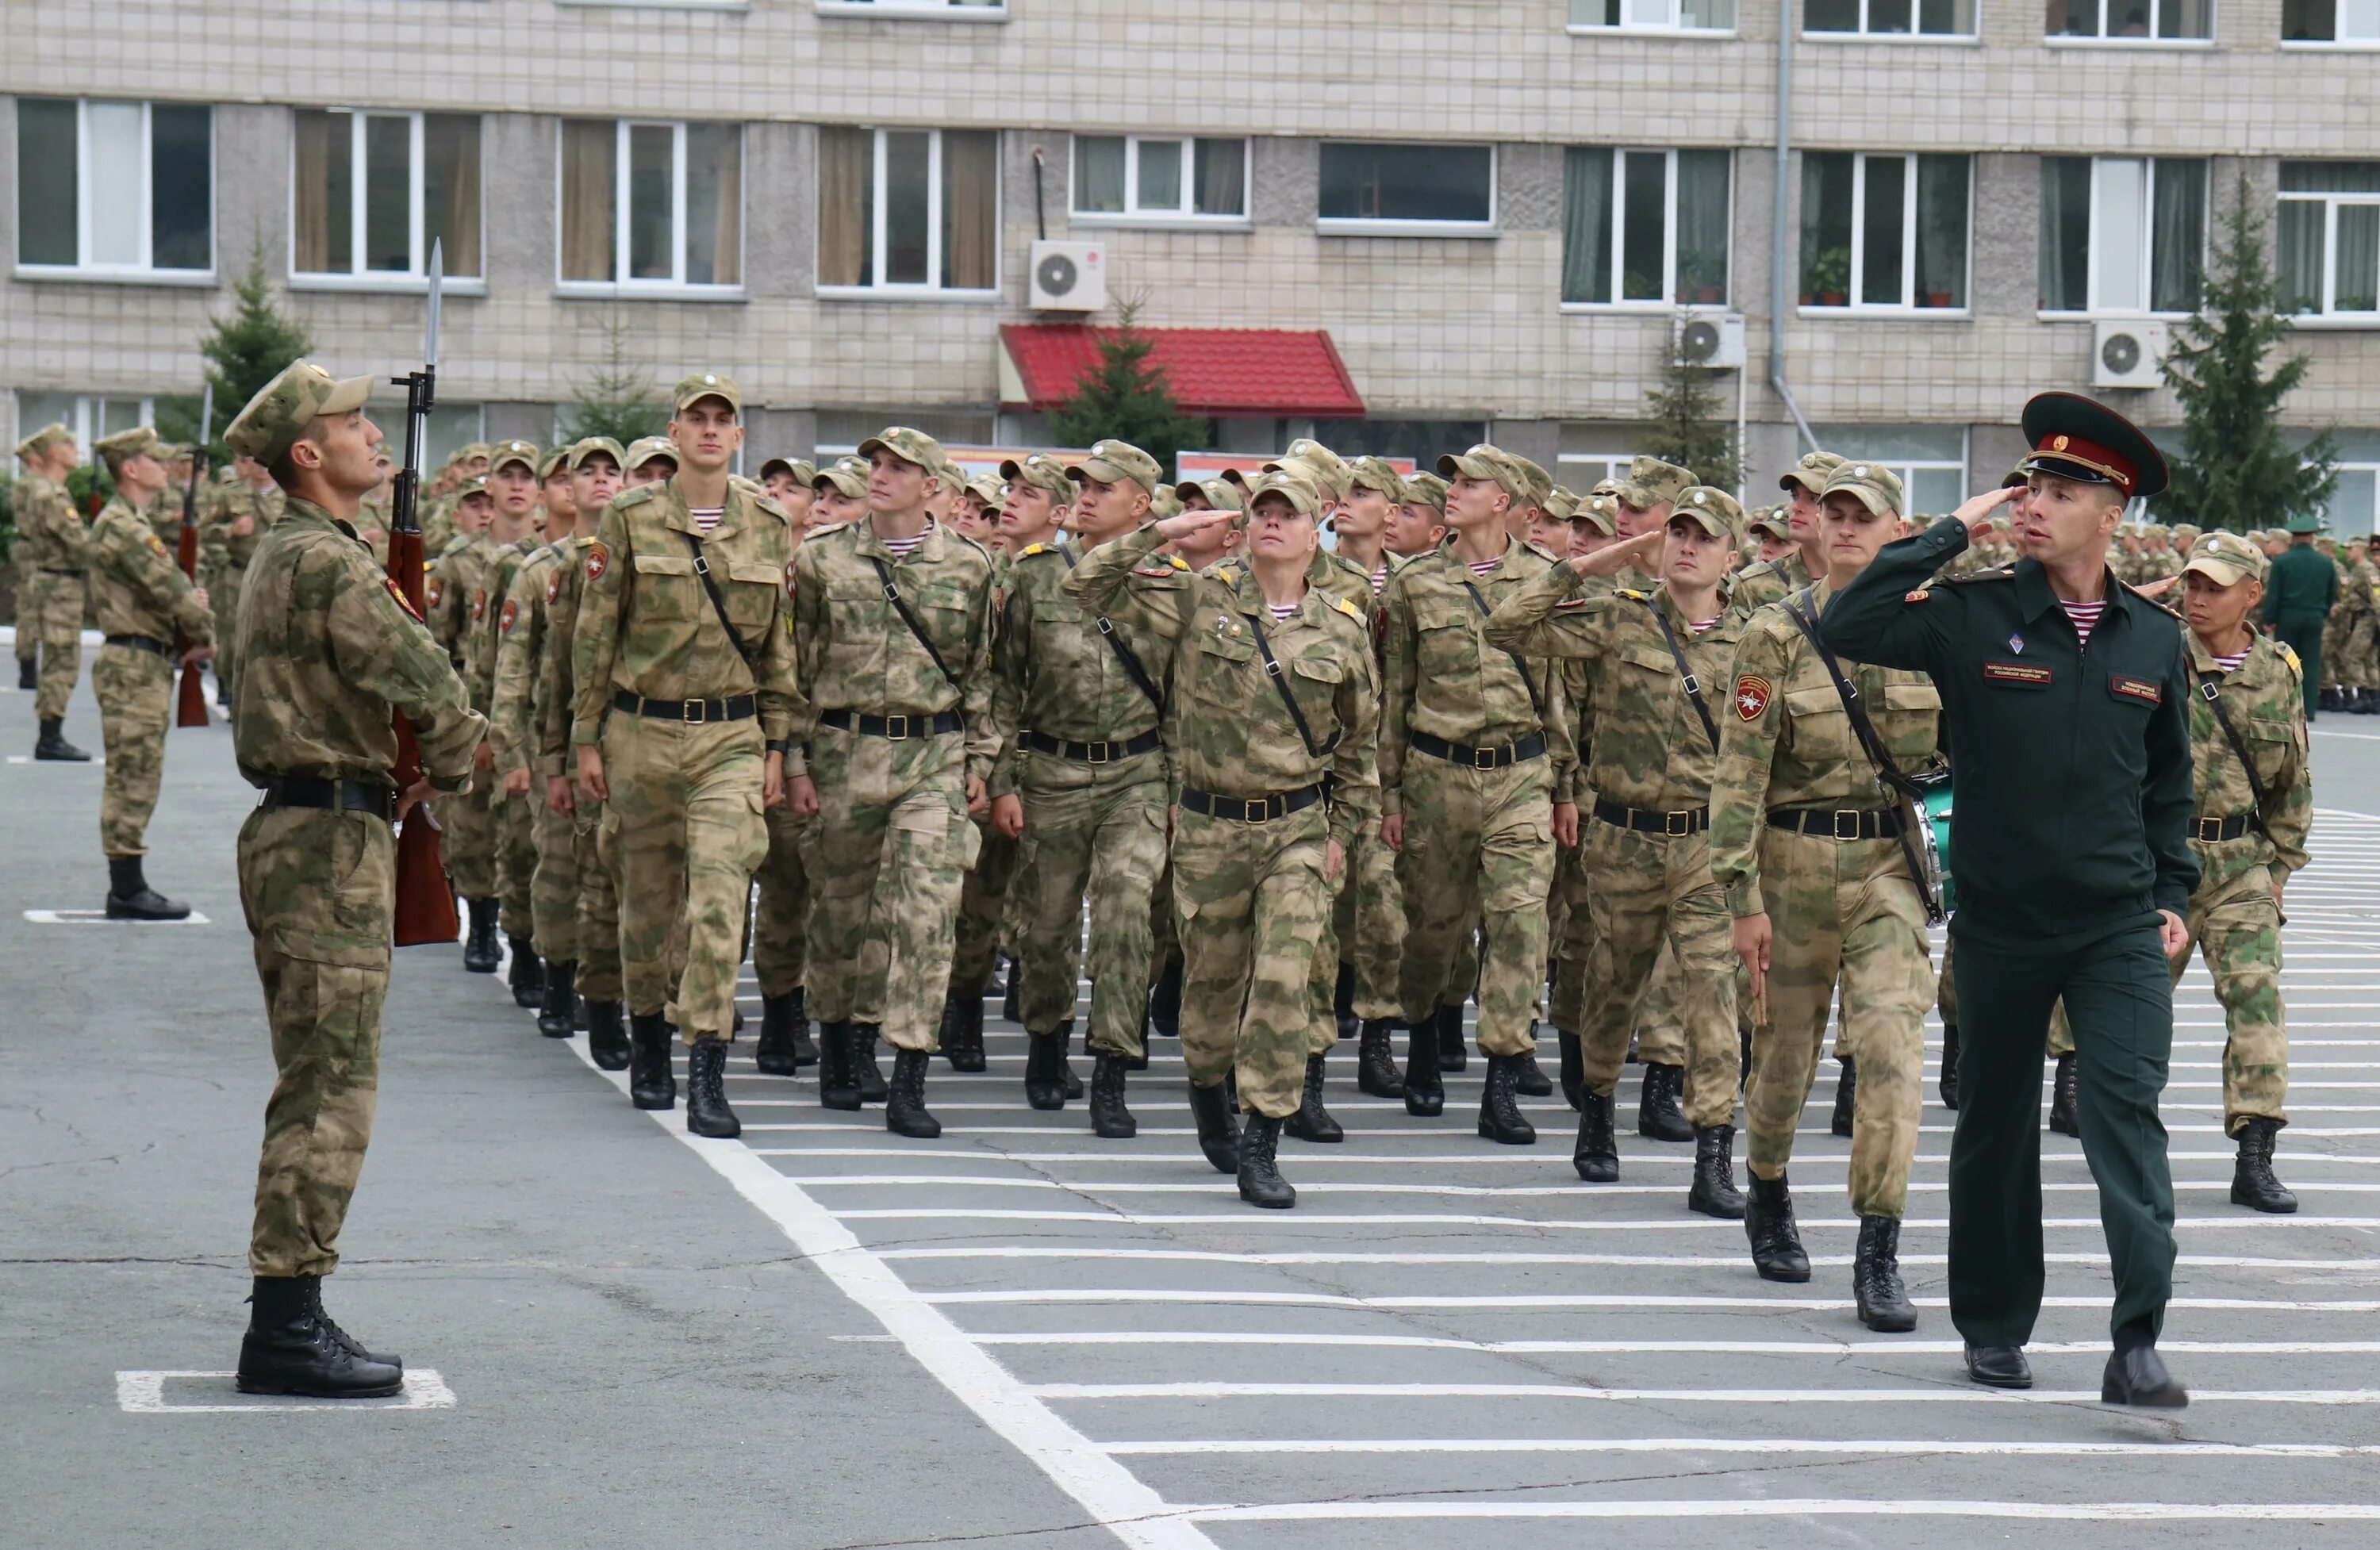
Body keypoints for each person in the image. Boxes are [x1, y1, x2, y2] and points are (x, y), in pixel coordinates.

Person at [1819, 391, 2196, 1408]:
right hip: (2001, 925)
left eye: (2060, 491)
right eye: (2028, 484)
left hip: (2115, 924)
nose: (2033, 503)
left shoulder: (2153, 637)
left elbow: (2170, 784)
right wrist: (1952, 529)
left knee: (2126, 1115)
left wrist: (2176, 894)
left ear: (2112, 512)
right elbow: (1846, 619)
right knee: (1995, 1125)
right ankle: (1993, 1325)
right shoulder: (1971, 612)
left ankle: (2138, 1339)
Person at [222, 360, 484, 1397]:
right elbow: (422, 672)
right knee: (329, 1092)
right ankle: (285, 1321)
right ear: (307, 452)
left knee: (315, 1082)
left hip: (310, 831)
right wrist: (461, 756)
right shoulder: (326, 561)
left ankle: (291, 1307)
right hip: (327, 846)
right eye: (353, 422)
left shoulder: (301, 550)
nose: (374, 435)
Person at [1064, 470, 1380, 1208]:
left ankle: (1263, 1137)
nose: (1273, 523)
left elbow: (1361, 745)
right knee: (1209, 994)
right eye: (1262, 512)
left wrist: (1342, 832)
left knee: (1283, 979)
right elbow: (1085, 587)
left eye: (1287, 514)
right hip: (1209, 827)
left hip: (1296, 829)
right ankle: (1210, 1089)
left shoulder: (1342, 622)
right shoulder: (1198, 596)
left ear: (1315, 531)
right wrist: (1167, 532)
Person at [1713, 460, 1943, 1331]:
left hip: (1890, 867)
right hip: (1792, 868)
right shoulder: (1773, 635)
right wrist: (1741, 899)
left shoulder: (1928, 628)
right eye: (1832, 512)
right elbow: (1737, 778)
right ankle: (1766, 1184)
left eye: (1862, 516)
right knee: (1783, 1061)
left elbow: (1963, 760)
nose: (1844, 527)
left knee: (1891, 1048)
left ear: (1895, 530)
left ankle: (1878, 1246)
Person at [1487, 488, 1752, 1218]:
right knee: (1613, 986)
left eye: (1704, 537)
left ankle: (1714, 1152)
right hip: (1624, 841)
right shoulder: (1620, 616)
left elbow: (1766, 751)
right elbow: (1507, 625)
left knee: (1711, 995)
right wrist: (1604, 559)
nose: (1687, 546)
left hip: (1706, 845)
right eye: (1678, 534)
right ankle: (1598, 1106)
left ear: (1732, 557)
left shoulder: (1757, 641)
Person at [572, 374, 800, 1138]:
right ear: (674, 432)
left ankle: (706, 1064)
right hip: (640, 733)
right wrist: (584, 737)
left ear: (739, 437)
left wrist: (778, 745)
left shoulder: (768, 525)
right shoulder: (630, 519)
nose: (709, 430)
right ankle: (648, 1043)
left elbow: (778, 648)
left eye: (723, 420)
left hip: (730, 739)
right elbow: (595, 636)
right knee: (647, 904)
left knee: (718, 899)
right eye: (696, 418)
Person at [785, 427, 998, 1136]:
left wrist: (981, 763)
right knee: (841, 911)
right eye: (875, 463)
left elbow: (985, 676)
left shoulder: (970, 568)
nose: (880, 474)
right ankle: (839, 1046)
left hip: (931, 758)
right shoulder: (822, 560)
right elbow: (796, 665)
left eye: (899, 467)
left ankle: (909, 1071)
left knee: (927, 915)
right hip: (842, 752)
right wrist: (791, 761)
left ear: (932, 486)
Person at [1380, 445, 1574, 1138]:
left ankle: (1501, 1077)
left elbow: (1559, 699)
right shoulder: (1414, 583)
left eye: (1470, 483)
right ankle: (1428, 1039)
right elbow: (1394, 698)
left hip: (1522, 773)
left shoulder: (1547, 579)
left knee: (1520, 923)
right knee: (1434, 930)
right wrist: (1392, 797)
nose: (1453, 491)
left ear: (1506, 502)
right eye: (1453, 481)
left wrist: (1565, 789)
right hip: (1437, 774)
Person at [991, 439, 1176, 1134]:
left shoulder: (1170, 579)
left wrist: (1179, 791)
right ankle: (1046, 1044)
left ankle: (1112, 1068)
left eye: (1104, 487)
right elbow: (1003, 686)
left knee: (1128, 913)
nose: (1087, 497)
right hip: (1052, 770)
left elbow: (1186, 698)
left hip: (1138, 773)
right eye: (1082, 486)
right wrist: (1003, 778)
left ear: (1141, 503)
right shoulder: (1035, 577)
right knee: (1047, 922)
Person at [2169, 531, 2313, 1213]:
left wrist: (2279, 867)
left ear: (2252, 595)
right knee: (2121, 1008)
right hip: (2159, 865)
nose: (2197, 598)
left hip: (2239, 867)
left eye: (2213, 587)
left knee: (2257, 1001)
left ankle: (2255, 1152)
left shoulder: (2279, 672)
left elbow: (2292, 784)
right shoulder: (2159, 656)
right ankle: (2086, 1094)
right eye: (2191, 584)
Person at [85, 427, 217, 919]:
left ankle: (129, 883)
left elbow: (165, 589)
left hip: (144, 660)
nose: (166, 468)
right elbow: (170, 587)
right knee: (132, 777)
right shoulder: (123, 526)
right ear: (131, 469)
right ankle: (126, 887)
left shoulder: (129, 522)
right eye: (155, 461)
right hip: (133, 665)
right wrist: (203, 629)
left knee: (139, 773)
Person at [536, 439, 631, 1069]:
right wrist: (553, 759)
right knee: (591, 879)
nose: (601, 483)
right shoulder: (568, 566)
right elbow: (557, 673)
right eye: (586, 473)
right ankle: (596, 1001)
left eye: (611, 472)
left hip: (650, 737)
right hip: (592, 743)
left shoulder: (651, 552)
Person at [468, 440, 552, 1008]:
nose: (518, 486)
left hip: (546, 719)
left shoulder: (552, 558)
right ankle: (483, 922)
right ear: (489, 488)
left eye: (529, 477)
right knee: (481, 829)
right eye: (508, 476)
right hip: (491, 704)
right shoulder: (468, 562)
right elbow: (479, 650)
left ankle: (537, 944)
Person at [425, 476, 501, 971]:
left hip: (522, 704)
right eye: (474, 503)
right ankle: (481, 923)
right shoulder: (455, 561)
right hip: (472, 701)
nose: (486, 511)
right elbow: (437, 640)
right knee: (470, 821)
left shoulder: (540, 556)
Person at [14, 423, 95, 760]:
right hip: (60, 585)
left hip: (53, 581)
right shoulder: (51, 494)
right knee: (62, 661)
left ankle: (50, 734)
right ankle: (50, 738)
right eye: (68, 446)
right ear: (53, 454)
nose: (75, 452)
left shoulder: (43, 491)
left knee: (59, 660)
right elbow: (80, 545)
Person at [2262, 513, 2336, 722]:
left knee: (2286, 662)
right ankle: (2308, 709)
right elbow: (2332, 593)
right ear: (2312, 537)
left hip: (2289, 614)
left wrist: (2270, 618)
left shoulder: (2282, 562)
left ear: (2293, 537)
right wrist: (2323, 611)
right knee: (2311, 663)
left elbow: (2274, 593)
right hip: (2314, 615)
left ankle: (2285, 706)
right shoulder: (2325, 563)